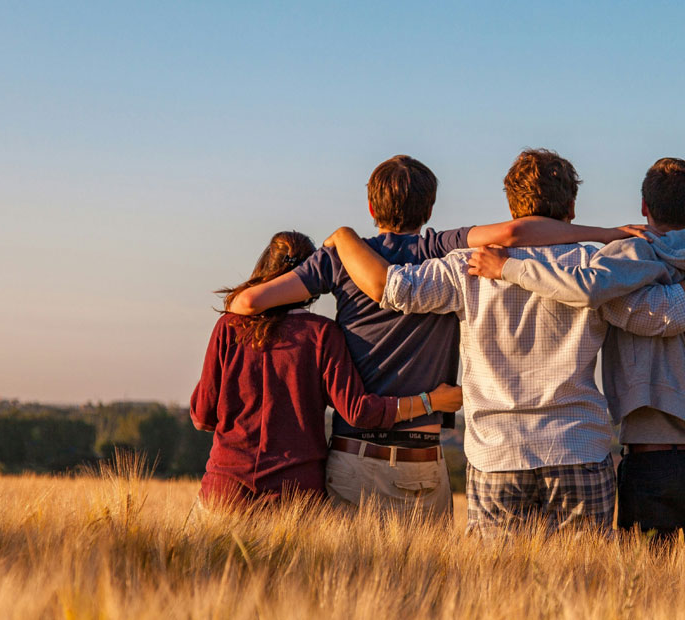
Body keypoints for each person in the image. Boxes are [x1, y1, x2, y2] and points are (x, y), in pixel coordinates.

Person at [323, 149, 685, 536]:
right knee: (584, 593)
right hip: (578, 447)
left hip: (496, 454)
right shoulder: (595, 268)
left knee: (497, 591)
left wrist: (344, 237)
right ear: (572, 209)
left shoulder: (465, 267)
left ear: (511, 207)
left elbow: (393, 289)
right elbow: (667, 316)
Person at [225, 154, 660, 519]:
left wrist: (339, 241)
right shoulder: (440, 248)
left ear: (371, 207)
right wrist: (606, 234)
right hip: (435, 456)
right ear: (430, 209)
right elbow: (515, 233)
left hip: (363, 453)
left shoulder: (344, 259)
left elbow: (248, 305)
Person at [470, 157, 685, 546]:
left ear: (644, 206)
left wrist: (509, 268)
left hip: (649, 463)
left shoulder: (618, 266)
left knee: (644, 597)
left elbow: (583, 288)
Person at [189, 231, 462, 510]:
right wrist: (431, 401)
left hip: (225, 490)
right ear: (312, 280)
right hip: (296, 497)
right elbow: (359, 412)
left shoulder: (229, 327)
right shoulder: (322, 334)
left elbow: (202, 416)